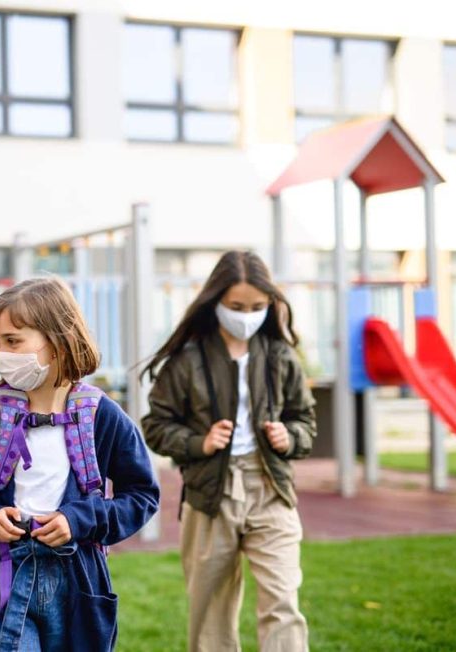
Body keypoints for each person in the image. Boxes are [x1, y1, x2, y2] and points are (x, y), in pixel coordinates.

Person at [0, 276, 159, 652]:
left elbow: (142, 495)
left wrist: (79, 520)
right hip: (0, 579)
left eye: (13, 341)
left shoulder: (104, 417)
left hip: (77, 583)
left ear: (56, 343)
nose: (2, 353)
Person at [142, 251, 316, 652]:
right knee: (211, 613)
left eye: (257, 307)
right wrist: (198, 443)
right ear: (216, 301)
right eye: (236, 307)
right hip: (209, 494)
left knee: (283, 600)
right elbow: (155, 425)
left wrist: (289, 437)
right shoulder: (187, 360)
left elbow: (305, 420)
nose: (247, 315)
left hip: (270, 488)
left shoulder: (281, 356)